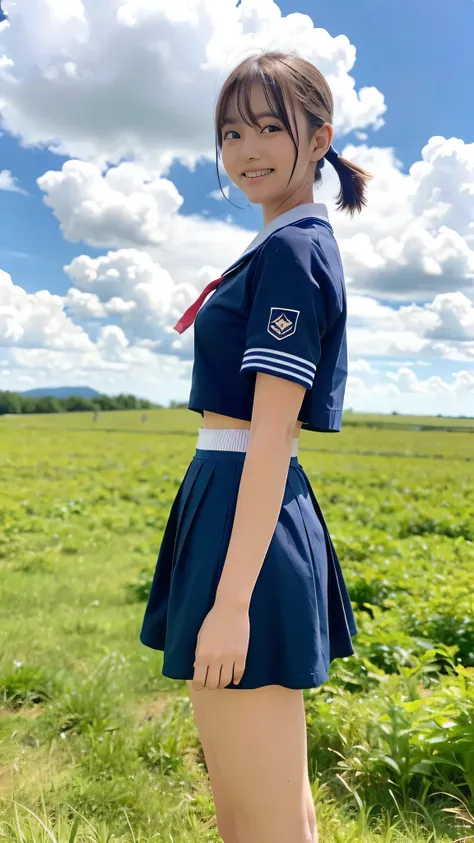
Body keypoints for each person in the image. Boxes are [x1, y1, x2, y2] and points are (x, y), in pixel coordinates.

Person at [140, 49, 372, 843]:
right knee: (248, 805)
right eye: (232, 131)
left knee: (268, 821)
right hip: (230, 503)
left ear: (320, 136)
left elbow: (273, 429)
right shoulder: (280, 241)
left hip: (250, 514)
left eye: (271, 126)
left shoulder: (292, 249)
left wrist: (233, 602)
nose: (247, 149)